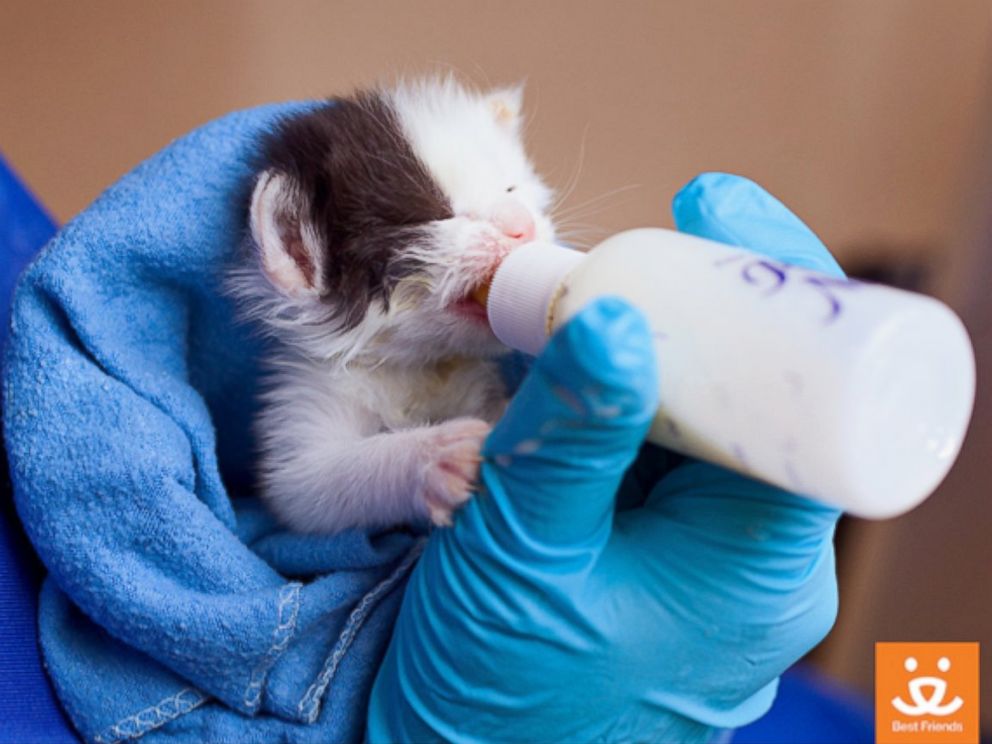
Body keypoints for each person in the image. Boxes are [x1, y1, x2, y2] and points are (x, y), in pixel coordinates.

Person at [3, 102, 840, 743]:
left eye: (515, 195)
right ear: (303, 256)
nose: (517, 229)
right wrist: (411, 467)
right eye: (452, 212)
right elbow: (305, 488)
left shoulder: (494, 365)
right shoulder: (334, 372)